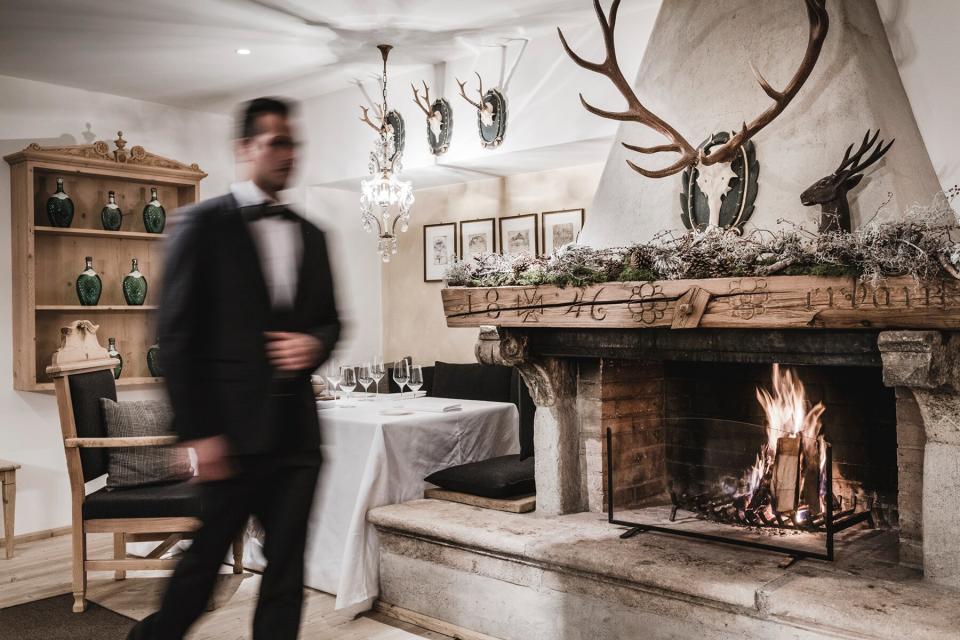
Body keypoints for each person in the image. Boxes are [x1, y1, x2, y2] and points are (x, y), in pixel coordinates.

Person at [128, 97, 340, 640]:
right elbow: (175, 337)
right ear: (244, 149)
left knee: (286, 572)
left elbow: (332, 323)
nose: (288, 154)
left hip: (297, 439)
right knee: (202, 568)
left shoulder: (314, 234)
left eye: (293, 143)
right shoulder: (200, 224)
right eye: (275, 142)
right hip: (228, 438)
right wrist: (198, 434)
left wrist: (311, 345)